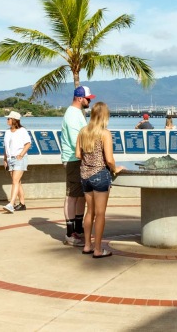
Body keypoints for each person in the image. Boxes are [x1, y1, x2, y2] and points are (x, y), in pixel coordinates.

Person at [76, 101, 121, 258]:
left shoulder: (83, 131)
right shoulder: (104, 133)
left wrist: (88, 161)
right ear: (104, 116)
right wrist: (116, 169)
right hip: (100, 175)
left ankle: (87, 246)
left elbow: (77, 155)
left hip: (85, 175)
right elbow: (109, 159)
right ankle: (97, 249)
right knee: (100, 213)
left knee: (90, 211)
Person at [61, 85, 93, 246]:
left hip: (78, 159)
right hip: (73, 160)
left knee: (80, 195)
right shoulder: (73, 115)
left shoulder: (76, 113)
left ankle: (78, 228)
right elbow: (77, 140)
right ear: (80, 98)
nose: (89, 101)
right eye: (88, 99)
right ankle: (70, 233)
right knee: (72, 196)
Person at [3, 111, 31, 213]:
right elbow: (6, 147)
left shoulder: (22, 131)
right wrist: (5, 159)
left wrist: (21, 155)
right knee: (17, 182)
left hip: (20, 158)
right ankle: (22, 204)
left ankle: (11, 204)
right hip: (10, 159)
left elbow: (28, 144)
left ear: (14, 120)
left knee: (15, 181)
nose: (7, 120)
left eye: (9, 118)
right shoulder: (7, 132)